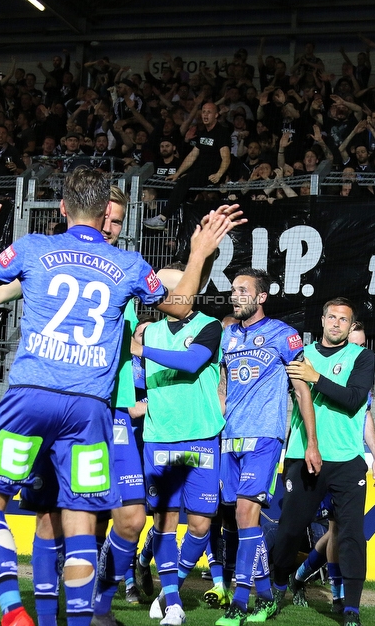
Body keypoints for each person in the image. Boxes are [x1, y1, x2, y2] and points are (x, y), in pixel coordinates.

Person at [0, 168, 242, 626]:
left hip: (94, 408)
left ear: (66, 208)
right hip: (89, 407)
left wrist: (199, 254)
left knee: (122, 519)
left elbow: (187, 291)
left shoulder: (91, 257)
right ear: (100, 212)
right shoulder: (113, 266)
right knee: (57, 517)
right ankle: (58, 617)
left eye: (119, 221)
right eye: (110, 218)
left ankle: (78, 611)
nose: (113, 226)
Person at [215, 269, 319, 626]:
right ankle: (265, 595)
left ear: (261, 297)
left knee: (246, 513)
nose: (235, 295)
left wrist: (311, 443)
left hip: (264, 437)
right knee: (244, 520)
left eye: (243, 290)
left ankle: (239, 602)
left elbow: (302, 390)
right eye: (233, 290)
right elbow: (222, 385)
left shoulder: (284, 336)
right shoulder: (227, 335)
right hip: (230, 438)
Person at [271, 298, 375, 626]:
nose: (336, 323)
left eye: (343, 319)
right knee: (289, 530)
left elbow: (353, 400)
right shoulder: (301, 355)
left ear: (350, 325)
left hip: (347, 460)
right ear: (322, 320)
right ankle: (278, 588)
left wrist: (315, 377)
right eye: (331, 317)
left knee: (350, 535)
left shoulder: (362, 357)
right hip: (304, 456)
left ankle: (351, 609)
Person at [133, 268, 226, 626]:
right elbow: (138, 382)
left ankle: (167, 590)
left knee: (201, 526)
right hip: (160, 437)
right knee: (165, 523)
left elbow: (191, 362)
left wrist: (140, 348)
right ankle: (174, 603)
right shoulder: (151, 330)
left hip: (200, 437)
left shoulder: (210, 326)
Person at [143, 102, 231, 230]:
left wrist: (219, 174)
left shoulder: (221, 132)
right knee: (182, 184)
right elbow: (193, 155)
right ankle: (176, 228)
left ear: (216, 115)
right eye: (204, 111)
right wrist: (178, 173)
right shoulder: (203, 132)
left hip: (212, 173)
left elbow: (226, 158)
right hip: (200, 170)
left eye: (209, 112)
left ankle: (162, 218)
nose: (205, 115)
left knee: (184, 182)